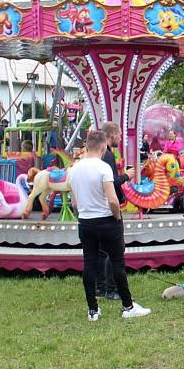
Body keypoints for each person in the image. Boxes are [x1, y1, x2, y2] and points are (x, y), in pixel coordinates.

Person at [68, 129, 150, 321]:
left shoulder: (74, 169)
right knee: (117, 264)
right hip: (106, 219)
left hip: (86, 222)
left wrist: (83, 215)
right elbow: (113, 200)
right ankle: (128, 306)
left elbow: (74, 202)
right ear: (104, 146)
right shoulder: (103, 167)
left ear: (87, 145)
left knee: (89, 264)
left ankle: (93, 310)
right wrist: (117, 217)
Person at [98, 122, 136, 301]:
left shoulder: (99, 154)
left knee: (100, 251)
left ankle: (101, 286)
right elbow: (111, 181)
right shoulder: (108, 155)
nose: (120, 138)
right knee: (114, 250)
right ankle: (111, 288)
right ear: (112, 135)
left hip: (97, 209)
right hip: (109, 206)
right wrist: (126, 176)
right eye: (119, 135)